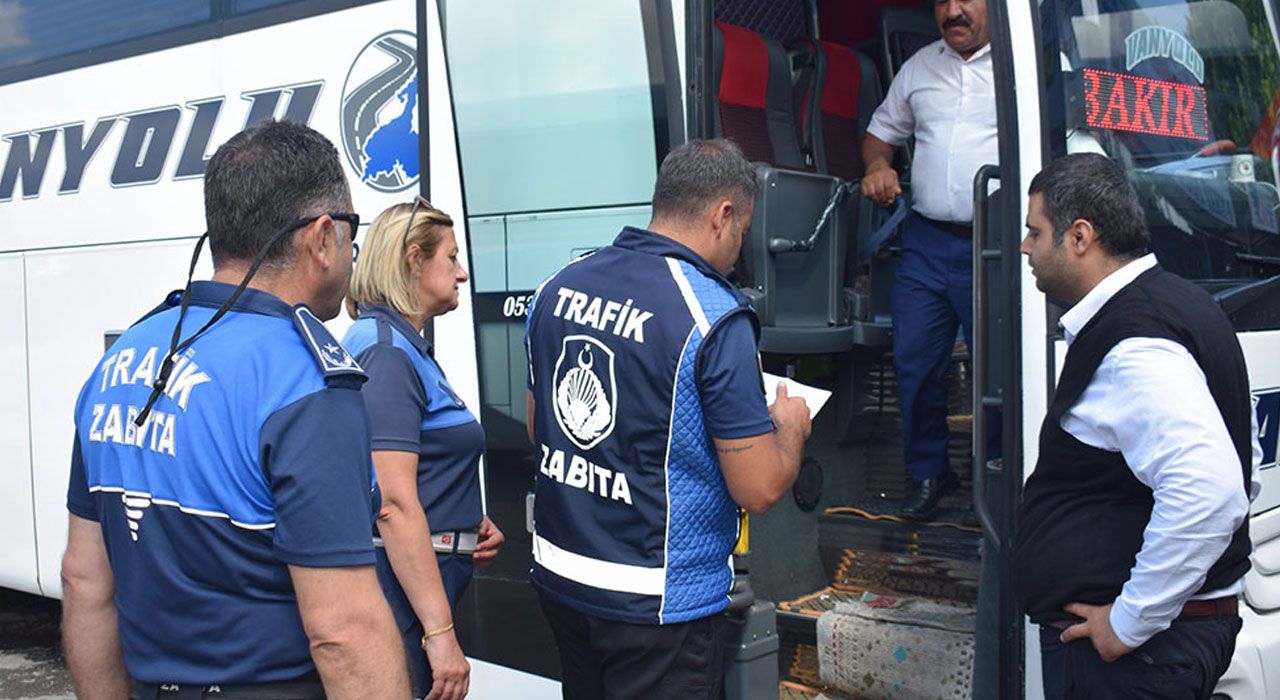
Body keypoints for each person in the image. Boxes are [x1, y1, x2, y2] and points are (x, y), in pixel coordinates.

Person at [60, 120, 409, 699]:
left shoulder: (123, 358)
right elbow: (343, 631)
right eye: (352, 230)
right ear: (322, 237)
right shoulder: (305, 383)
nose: (353, 249)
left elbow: (84, 579)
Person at [523, 139, 813, 699]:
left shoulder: (559, 286)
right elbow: (759, 488)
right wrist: (790, 428)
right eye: (742, 229)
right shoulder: (712, 315)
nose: (738, 247)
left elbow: (543, 432)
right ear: (723, 213)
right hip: (658, 605)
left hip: (562, 580)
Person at [1012, 153, 1262, 699]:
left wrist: (1128, 623)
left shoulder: (1133, 344)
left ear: (1080, 237)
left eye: (1035, 232)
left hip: (1138, 657)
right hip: (1165, 643)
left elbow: (1212, 492)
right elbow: (1244, 461)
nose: (1026, 247)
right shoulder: (1177, 302)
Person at [342, 198, 506, 700]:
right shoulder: (388, 354)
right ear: (414, 259)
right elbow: (392, 503)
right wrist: (440, 635)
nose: (460, 274)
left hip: (421, 577)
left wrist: (461, 524)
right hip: (399, 596)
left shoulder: (399, 344)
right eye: (450, 258)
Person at [860, 0, 997, 520]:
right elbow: (879, 138)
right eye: (943, 1)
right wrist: (878, 166)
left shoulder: (1019, 70)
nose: (953, 11)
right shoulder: (920, 67)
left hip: (997, 244)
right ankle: (929, 473)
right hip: (926, 242)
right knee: (914, 361)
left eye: (967, 0)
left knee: (998, 371)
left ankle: (998, 482)